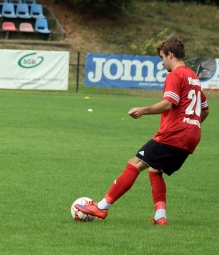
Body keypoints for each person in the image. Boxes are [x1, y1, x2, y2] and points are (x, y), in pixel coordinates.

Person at [75, 36, 209, 226]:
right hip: (191, 137)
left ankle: (102, 207)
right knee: (155, 170)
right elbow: (205, 109)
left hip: (175, 134)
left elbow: (168, 103)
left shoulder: (175, 75)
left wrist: (143, 110)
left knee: (135, 163)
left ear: (170, 54)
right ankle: (160, 216)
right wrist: (192, 125)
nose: (162, 63)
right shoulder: (194, 78)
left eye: (162, 57)